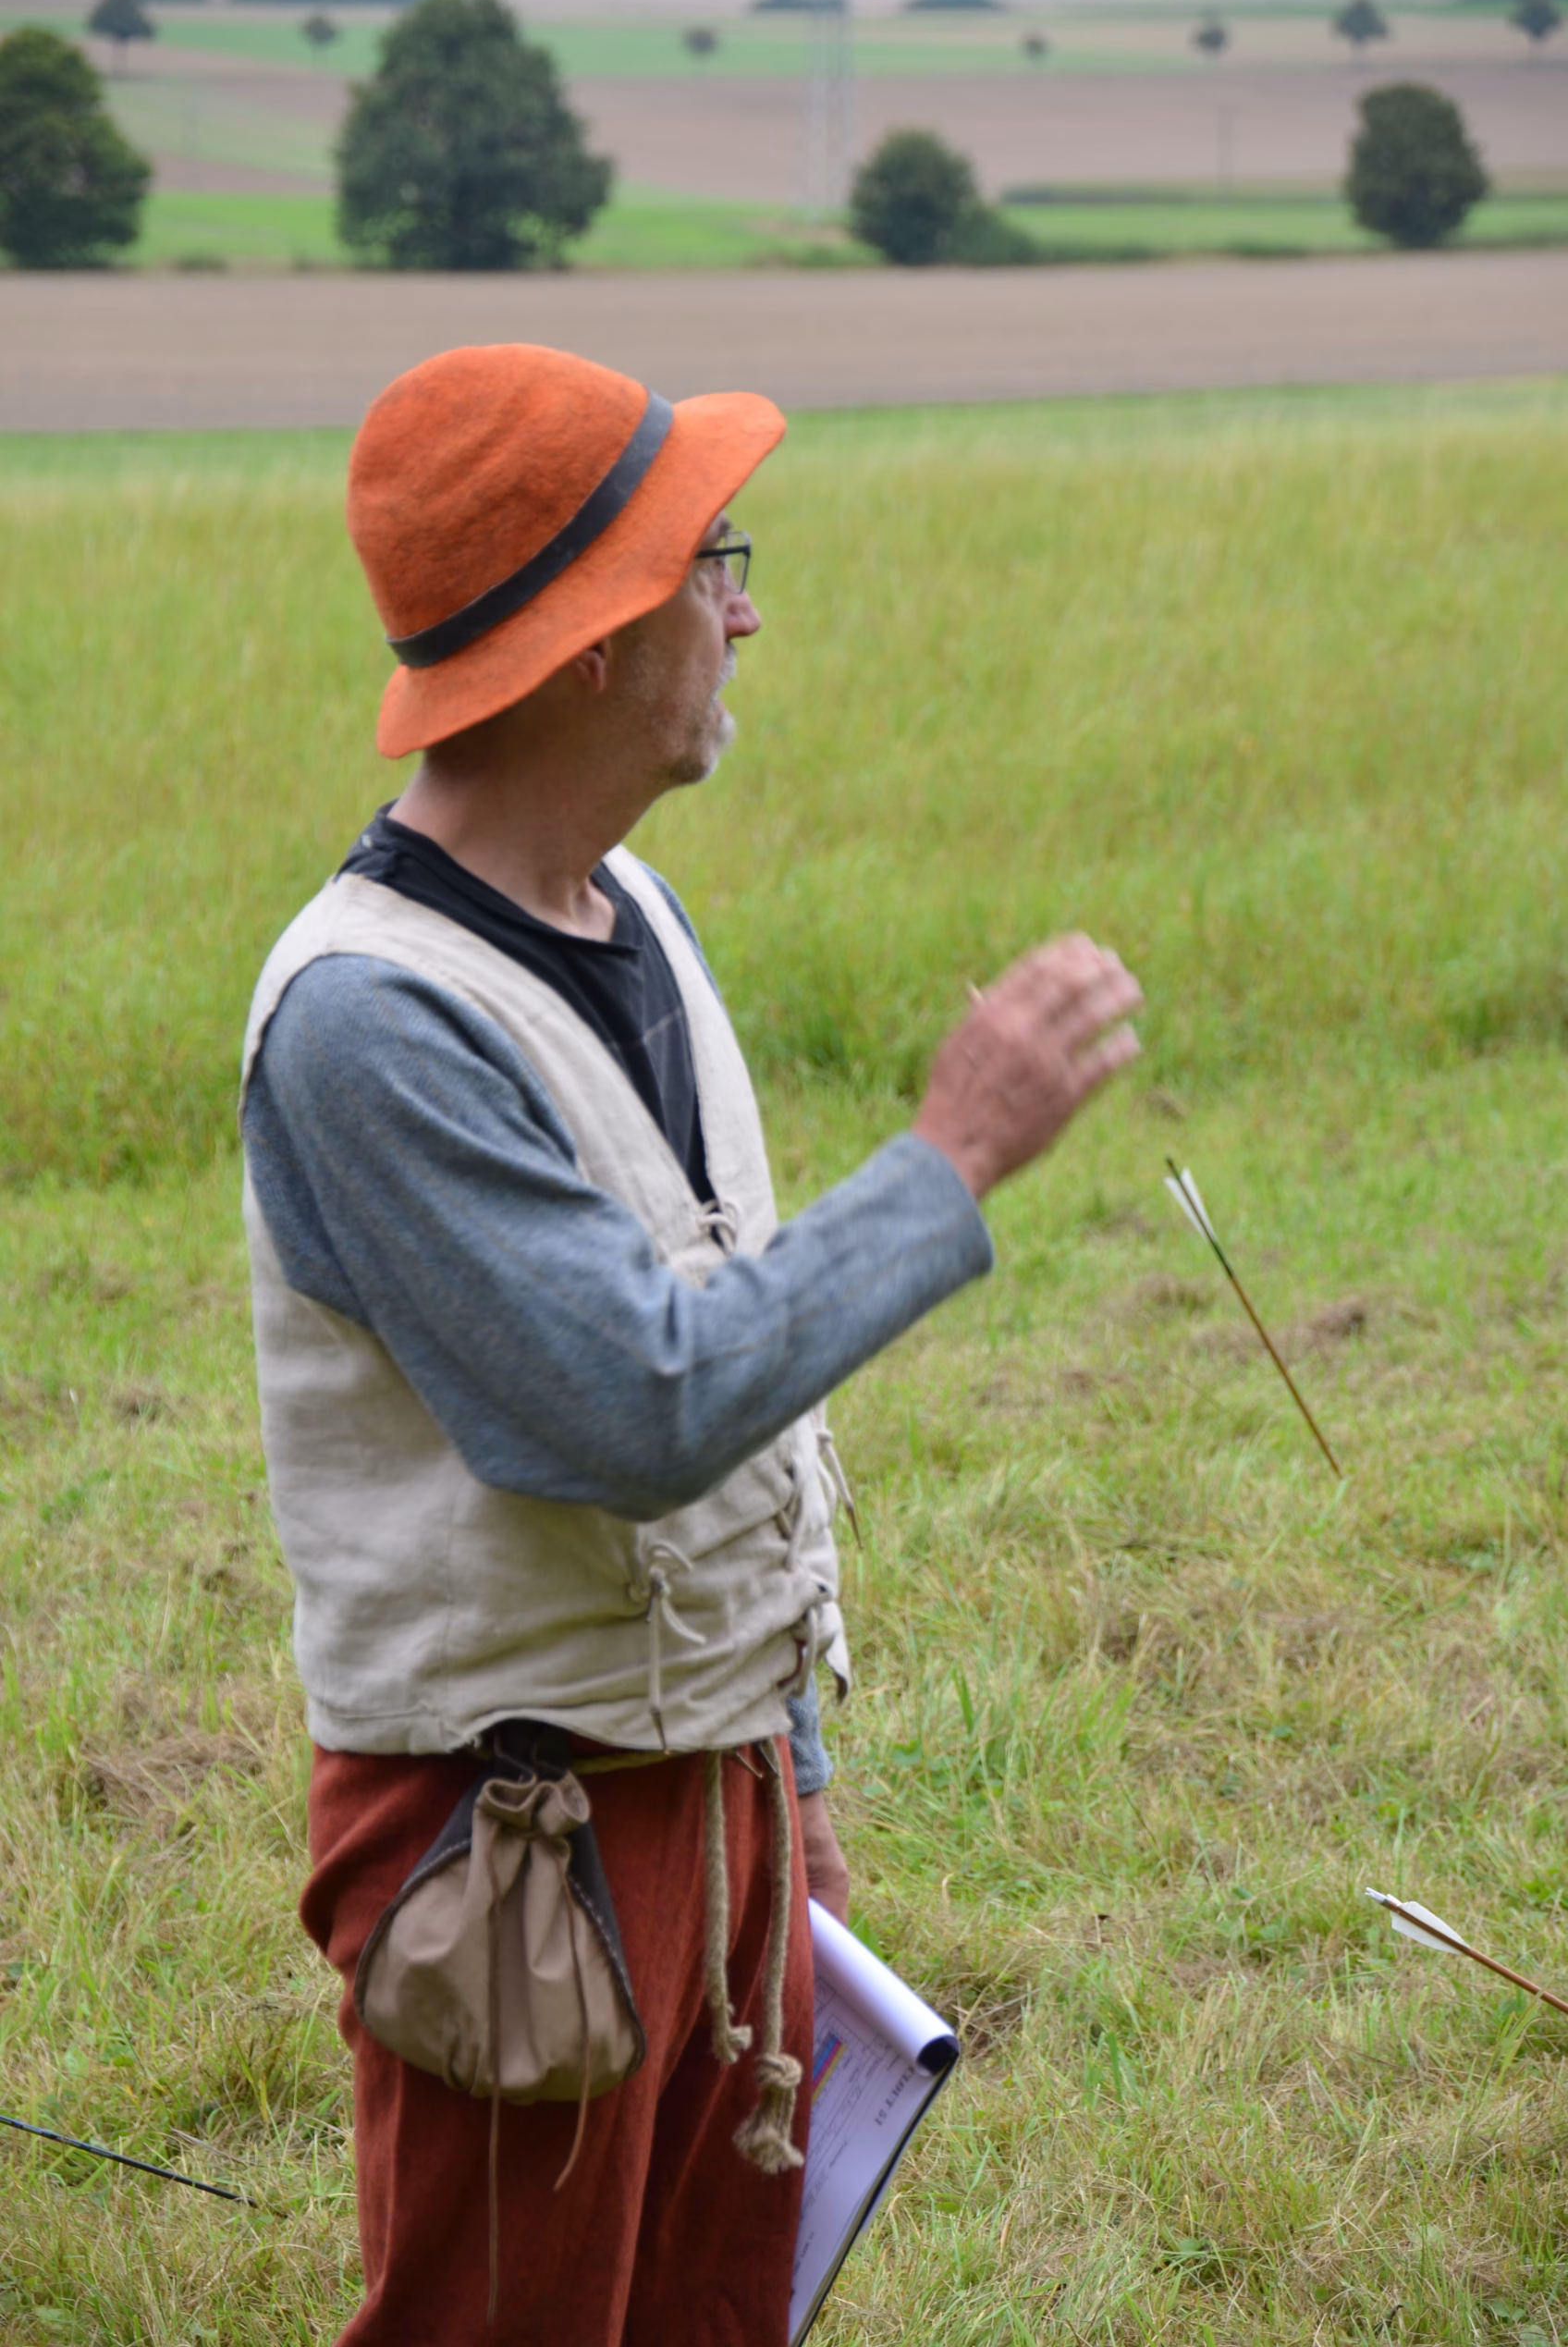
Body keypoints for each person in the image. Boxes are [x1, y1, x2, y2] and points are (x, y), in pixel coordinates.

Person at [239, 342, 1142, 2347]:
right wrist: (952, 1155)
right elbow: (638, 1400)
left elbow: (732, 1409)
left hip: (701, 1792)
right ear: (580, 641)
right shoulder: (369, 1021)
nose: (745, 607)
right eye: (706, 559)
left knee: (713, 2314)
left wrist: (780, 1775)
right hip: (516, 1844)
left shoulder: (626, 905)